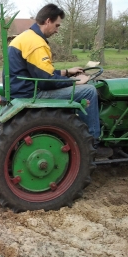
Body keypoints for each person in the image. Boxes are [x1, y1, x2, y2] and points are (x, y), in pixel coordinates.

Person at [7, 3, 112, 158]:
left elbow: (40, 72)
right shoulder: (36, 43)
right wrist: (76, 81)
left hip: (22, 87)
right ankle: (93, 144)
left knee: (83, 89)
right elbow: (46, 81)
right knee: (89, 92)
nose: (57, 30)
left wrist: (67, 72)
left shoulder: (25, 37)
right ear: (48, 21)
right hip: (31, 92)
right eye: (57, 25)